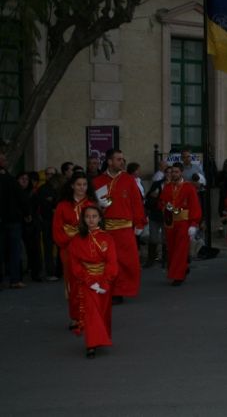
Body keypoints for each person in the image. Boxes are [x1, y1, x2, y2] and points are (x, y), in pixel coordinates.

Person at [93, 149, 147, 304]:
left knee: (127, 261)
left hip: (124, 229)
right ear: (109, 161)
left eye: (123, 159)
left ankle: (121, 290)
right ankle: (109, 289)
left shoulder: (129, 180)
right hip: (104, 229)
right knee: (108, 261)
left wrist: (139, 222)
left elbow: (137, 203)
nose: (122, 162)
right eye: (118, 159)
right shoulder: (97, 181)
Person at [68, 206, 118, 359]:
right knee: (91, 312)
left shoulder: (107, 238)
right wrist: (89, 281)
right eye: (88, 216)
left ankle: (100, 337)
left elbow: (112, 262)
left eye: (94, 216)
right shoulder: (77, 240)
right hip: (86, 281)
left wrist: (105, 282)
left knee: (103, 311)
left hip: (103, 280)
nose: (91, 219)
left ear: (100, 218)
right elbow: (75, 264)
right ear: (83, 219)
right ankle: (91, 345)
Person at [53, 172, 96, 329]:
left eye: (84, 185)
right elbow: (57, 230)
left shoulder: (91, 204)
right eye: (78, 184)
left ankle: (91, 315)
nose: (82, 188)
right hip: (69, 250)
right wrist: (72, 239)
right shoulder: (62, 206)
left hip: (89, 250)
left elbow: (97, 227)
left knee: (90, 282)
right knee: (73, 283)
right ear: (72, 186)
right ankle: (76, 317)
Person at [159, 163, 202, 286]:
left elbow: (195, 206)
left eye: (176, 172)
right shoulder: (167, 187)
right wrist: (166, 206)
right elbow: (161, 203)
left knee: (180, 249)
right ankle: (180, 269)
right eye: (172, 172)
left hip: (183, 222)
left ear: (181, 172)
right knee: (172, 249)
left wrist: (193, 224)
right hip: (170, 222)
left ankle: (178, 276)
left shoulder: (189, 188)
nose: (174, 174)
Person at [0, 165, 28, 288]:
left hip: (3, 220)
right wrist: (27, 213)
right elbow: (22, 199)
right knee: (15, 251)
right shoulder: (12, 181)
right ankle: (15, 279)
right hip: (14, 220)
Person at [17, 172, 43, 283]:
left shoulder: (33, 193)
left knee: (34, 249)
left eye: (26, 179)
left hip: (33, 224)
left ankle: (35, 272)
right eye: (22, 178)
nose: (24, 181)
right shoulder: (15, 192)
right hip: (19, 223)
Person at [144, 165, 172, 268]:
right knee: (153, 238)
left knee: (166, 238)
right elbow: (148, 197)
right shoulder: (157, 184)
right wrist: (154, 196)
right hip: (155, 214)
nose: (169, 175)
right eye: (167, 172)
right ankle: (151, 259)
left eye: (171, 173)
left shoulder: (175, 186)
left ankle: (165, 259)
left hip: (167, 215)